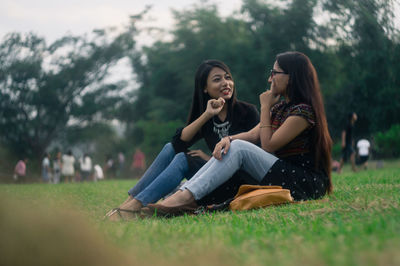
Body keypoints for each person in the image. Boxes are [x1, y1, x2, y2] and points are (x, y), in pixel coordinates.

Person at [146, 51, 333, 217]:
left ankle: (184, 197)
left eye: (274, 73)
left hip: (304, 183)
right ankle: (179, 197)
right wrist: (227, 138)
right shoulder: (283, 108)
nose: (270, 79)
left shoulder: (302, 112)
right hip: (282, 174)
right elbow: (253, 135)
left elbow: (268, 145)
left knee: (238, 149)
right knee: (232, 146)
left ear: (291, 77)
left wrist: (265, 106)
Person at [106, 59, 260, 220]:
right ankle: (130, 202)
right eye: (217, 79)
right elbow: (178, 143)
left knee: (182, 159)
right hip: (213, 176)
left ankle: (133, 207)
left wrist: (209, 159)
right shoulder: (208, 116)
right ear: (205, 89)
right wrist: (207, 114)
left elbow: (255, 153)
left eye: (228, 77)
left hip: (237, 182)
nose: (225, 83)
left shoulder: (247, 111)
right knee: (170, 148)